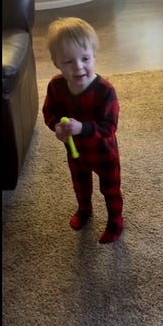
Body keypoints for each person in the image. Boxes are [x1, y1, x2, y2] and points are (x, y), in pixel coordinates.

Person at [42, 17, 124, 244]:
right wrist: (56, 126)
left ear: (94, 56)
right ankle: (84, 209)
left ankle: (115, 219)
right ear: (56, 62)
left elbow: (110, 126)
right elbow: (49, 112)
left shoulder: (105, 90)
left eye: (85, 59)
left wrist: (82, 128)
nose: (78, 67)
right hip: (75, 151)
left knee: (110, 188)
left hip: (103, 152)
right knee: (80, 184)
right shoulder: (56, 86)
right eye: (68, 61)